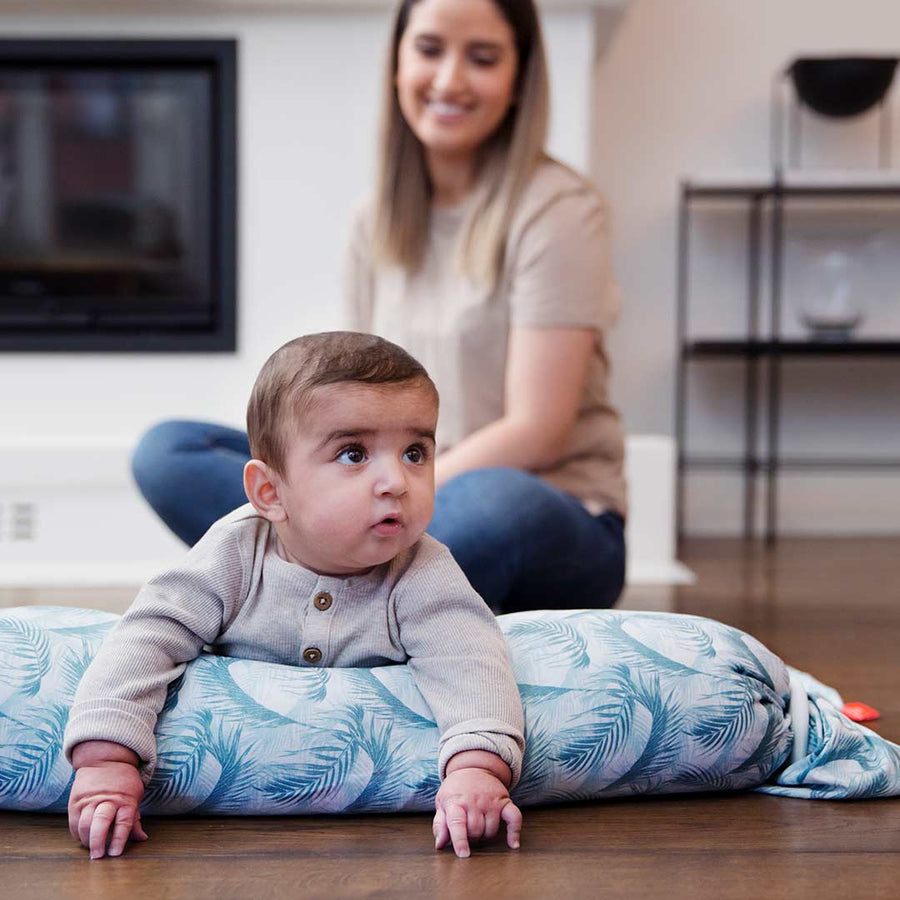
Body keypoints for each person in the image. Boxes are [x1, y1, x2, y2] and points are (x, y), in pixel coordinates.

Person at [131, 0, 627, 614]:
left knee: (495, 503)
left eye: (482, 57)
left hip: (549, 511)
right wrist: (331, 482)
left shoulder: (559, 211)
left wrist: (388, 490)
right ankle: (353, 591)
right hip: (389, 499)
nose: (448, 80)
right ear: (397, 64)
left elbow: (539, 429)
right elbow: (354, 399)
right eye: (429, 49)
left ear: (519, 79)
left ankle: (305, 594)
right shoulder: (376, 220)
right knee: (170, 452)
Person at [64, 332, 525, 862]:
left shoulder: (422, 569)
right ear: (270, 493)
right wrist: (106, 761)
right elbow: (149, 633)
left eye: (415, 452)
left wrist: (475, 768)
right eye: (354, 454)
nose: (396, 480)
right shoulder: (234, 553)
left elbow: (471, 659)